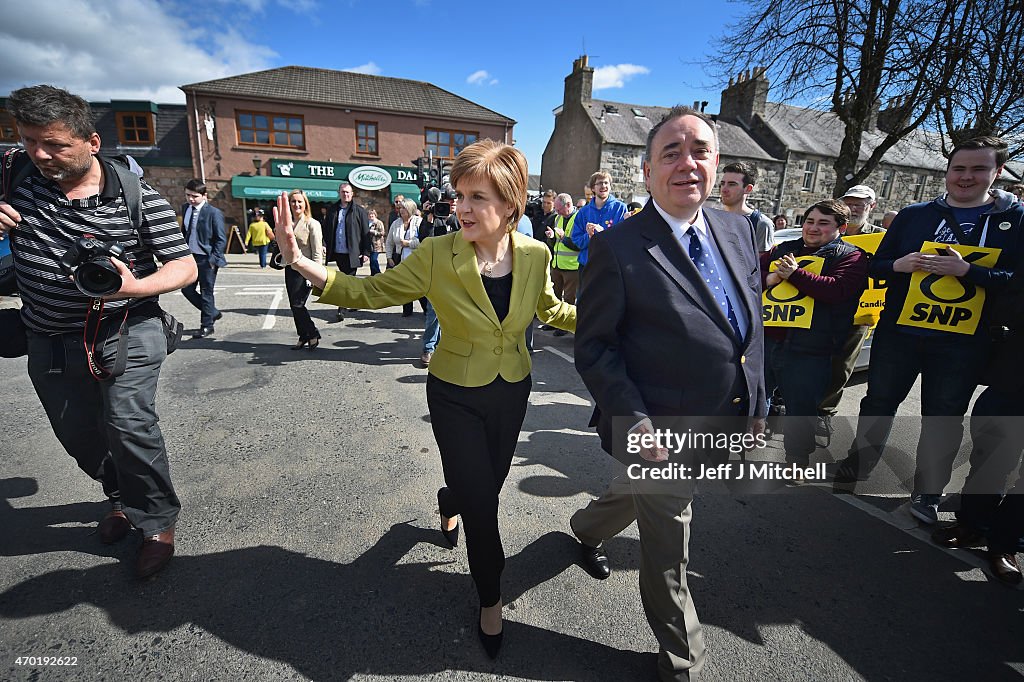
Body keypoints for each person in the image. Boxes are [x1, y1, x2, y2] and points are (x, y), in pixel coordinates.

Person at [271, 139, 575, 658]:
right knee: (485, 505)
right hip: (454, 393)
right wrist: (301, 262)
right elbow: (368, 292)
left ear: (510, 203)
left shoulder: (536, 253)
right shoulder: (438, 254)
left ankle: (448, 498)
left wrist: (604, 320)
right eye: (460, 195)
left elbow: (550, 310)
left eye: (477, 197)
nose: (461, 207)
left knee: (482, 485)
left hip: (511, 391)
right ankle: (490, 597)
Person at [571, 106, 765, 680]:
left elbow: (748, 327)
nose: (688, 163)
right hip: (656, 431)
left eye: (700, 150)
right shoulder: (619, 247)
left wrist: (757, 404)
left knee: (639, 500)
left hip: (721, 420)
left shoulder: (737, 230)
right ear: (648, 170)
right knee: (670, 548)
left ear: (717, 164)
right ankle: (684, 663)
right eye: (672, 153)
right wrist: (635, 422)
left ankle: (584, 529)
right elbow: (596, 348)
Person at [0, 84, 198, 578]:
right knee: (79, 434)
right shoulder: (15, 178)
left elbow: (185, 265)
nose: (41, 155)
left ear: (91, 140)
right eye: (29, 142)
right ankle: (120, 498)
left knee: (128, 425)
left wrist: (136, 287)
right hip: (45, 337)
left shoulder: (136, 196)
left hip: (125, 327)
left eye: (55, 145)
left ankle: (155, 520)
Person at [835, 136, 1024, 525]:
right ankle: (859, 466)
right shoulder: (914, 214)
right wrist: (898, 266)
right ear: (947, 171)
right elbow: (877, 266)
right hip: (900, 333)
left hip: (963, 341)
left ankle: (928, 491)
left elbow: (1017, 280)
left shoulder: (1016, 220)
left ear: (997, 172)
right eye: (958, 168)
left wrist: (970, 272)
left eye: (978, 169)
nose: (966, 177)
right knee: (878, 401)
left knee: (943, 415)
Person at [930, 262, 1024, 585]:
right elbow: (1004, 308)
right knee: (991, 459)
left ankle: (1006, 545)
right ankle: (972, 524)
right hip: (1013, 382)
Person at [760, 200, 868, 478]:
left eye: (823, 223)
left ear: (841, 228)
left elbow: (837, 291)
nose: (813, 228)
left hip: (811, 348)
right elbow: (748, 277)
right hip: (768, 340)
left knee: (801, 409)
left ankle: (796, 462)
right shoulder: (783, 250)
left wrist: (795, 274)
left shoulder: (852, 256)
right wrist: (772, 277)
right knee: (754, 399)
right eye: (810, 221)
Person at [816, 184, 887, 436]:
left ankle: (824, 413)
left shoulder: (883, 238)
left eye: (861, 203)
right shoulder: (831, 231)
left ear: (872, 206)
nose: (854, 207)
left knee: (842, 365)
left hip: (860, 312)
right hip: (822, 306)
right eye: (850, 201)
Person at [181, 178, 227, 338]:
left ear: (204, 196)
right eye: (188, 195)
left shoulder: (214, 213)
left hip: (206, 259)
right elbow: (184, 231)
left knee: (207, 292)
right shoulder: (186, 208)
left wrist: (213, 260)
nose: (191, 199)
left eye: (194, 196)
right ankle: (212, 312)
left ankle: (207, 325)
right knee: (186, 289)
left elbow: (221, 239)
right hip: (190, 257)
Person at [283, 189, 324, 350]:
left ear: (305, 203)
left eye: (300, 201)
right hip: (290, 269)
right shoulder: (287, 223)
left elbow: (317, 251)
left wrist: (314, 275)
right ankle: (303, 335)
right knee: (294, 305)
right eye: (293, 201)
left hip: (306, 270)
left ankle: (312, 333)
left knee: (299, 304)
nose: (296, 204)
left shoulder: (312, 223)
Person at [324, 182, 369, 321]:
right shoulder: (332, 209)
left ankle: (341, 309)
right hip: (338, 251)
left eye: (348, 192)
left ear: (352, 194)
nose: (345, 194)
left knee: (345, 280)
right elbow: (326, 230)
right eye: (343, 192)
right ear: (339, 193)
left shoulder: (359, 211)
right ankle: (355, 301)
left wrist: (366, 252)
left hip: (353, 252)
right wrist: (324, 245)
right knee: (349, 280)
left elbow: (365, 232)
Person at [571, 171, 629, 277]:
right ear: (593, 188)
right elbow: (576, 240)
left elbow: (623, 240)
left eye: (606, 183)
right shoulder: (583, 212)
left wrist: (603, 233)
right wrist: (589, 236)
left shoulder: (620, 208)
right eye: (600, 183)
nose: (603, 186)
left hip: (610, 266)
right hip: (587, 266)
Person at [541, 193, 580, 337]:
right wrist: (552, 237)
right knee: (554, 296)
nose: (556, 212)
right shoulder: (558, 218)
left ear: (568, 205)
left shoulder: (578, 219)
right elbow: (555, 243)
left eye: (559, 209)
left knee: (569, 299)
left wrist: (563, 237)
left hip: (571, 267)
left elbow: (578, 244)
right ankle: (553, 322)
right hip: (557, 265)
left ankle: (565, 326)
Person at [718, 161, 774, 252]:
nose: (724, 189)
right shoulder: (711, 218)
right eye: (723, 183)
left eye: (732, 184)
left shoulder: (760, 223)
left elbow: (761, 263)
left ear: (748, 189)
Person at [385, 198, 421, 317]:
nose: (401, 210)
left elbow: (424, 240)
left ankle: (426, 309)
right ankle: (407, 310)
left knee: (419, 285)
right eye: (400, 208)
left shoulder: (419, 222)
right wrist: (389, 257)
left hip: (416, 260)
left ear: (410, 209)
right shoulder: (396, 223)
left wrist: (409, 243)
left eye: (403, 208)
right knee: (404, 285)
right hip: (400, 259)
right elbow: (389, 241)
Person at [367, 208, 385, 276]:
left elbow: (382, 233)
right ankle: (373, 275)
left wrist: (374, 232)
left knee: (374, 259)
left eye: (372, 215)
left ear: (375, 215)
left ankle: (378, 273)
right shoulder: (367, 222)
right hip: (369, 245)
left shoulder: (378, 223)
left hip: (377, 244)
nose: (371, 216)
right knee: (371, 261)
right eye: (370, 215)